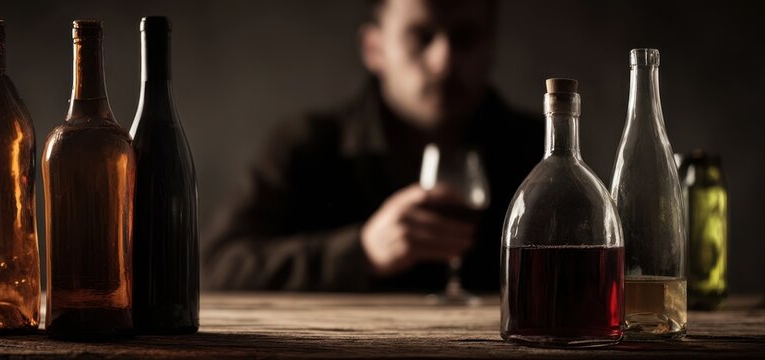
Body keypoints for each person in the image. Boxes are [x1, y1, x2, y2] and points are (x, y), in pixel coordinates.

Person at [204, 0, 542, 292]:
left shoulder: (542, 153)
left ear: (492, 43)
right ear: (374, 49)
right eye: (421, 37)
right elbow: (212, 268)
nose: (445, 61)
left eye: (465, 37)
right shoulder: (307, 144)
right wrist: (362, 251)